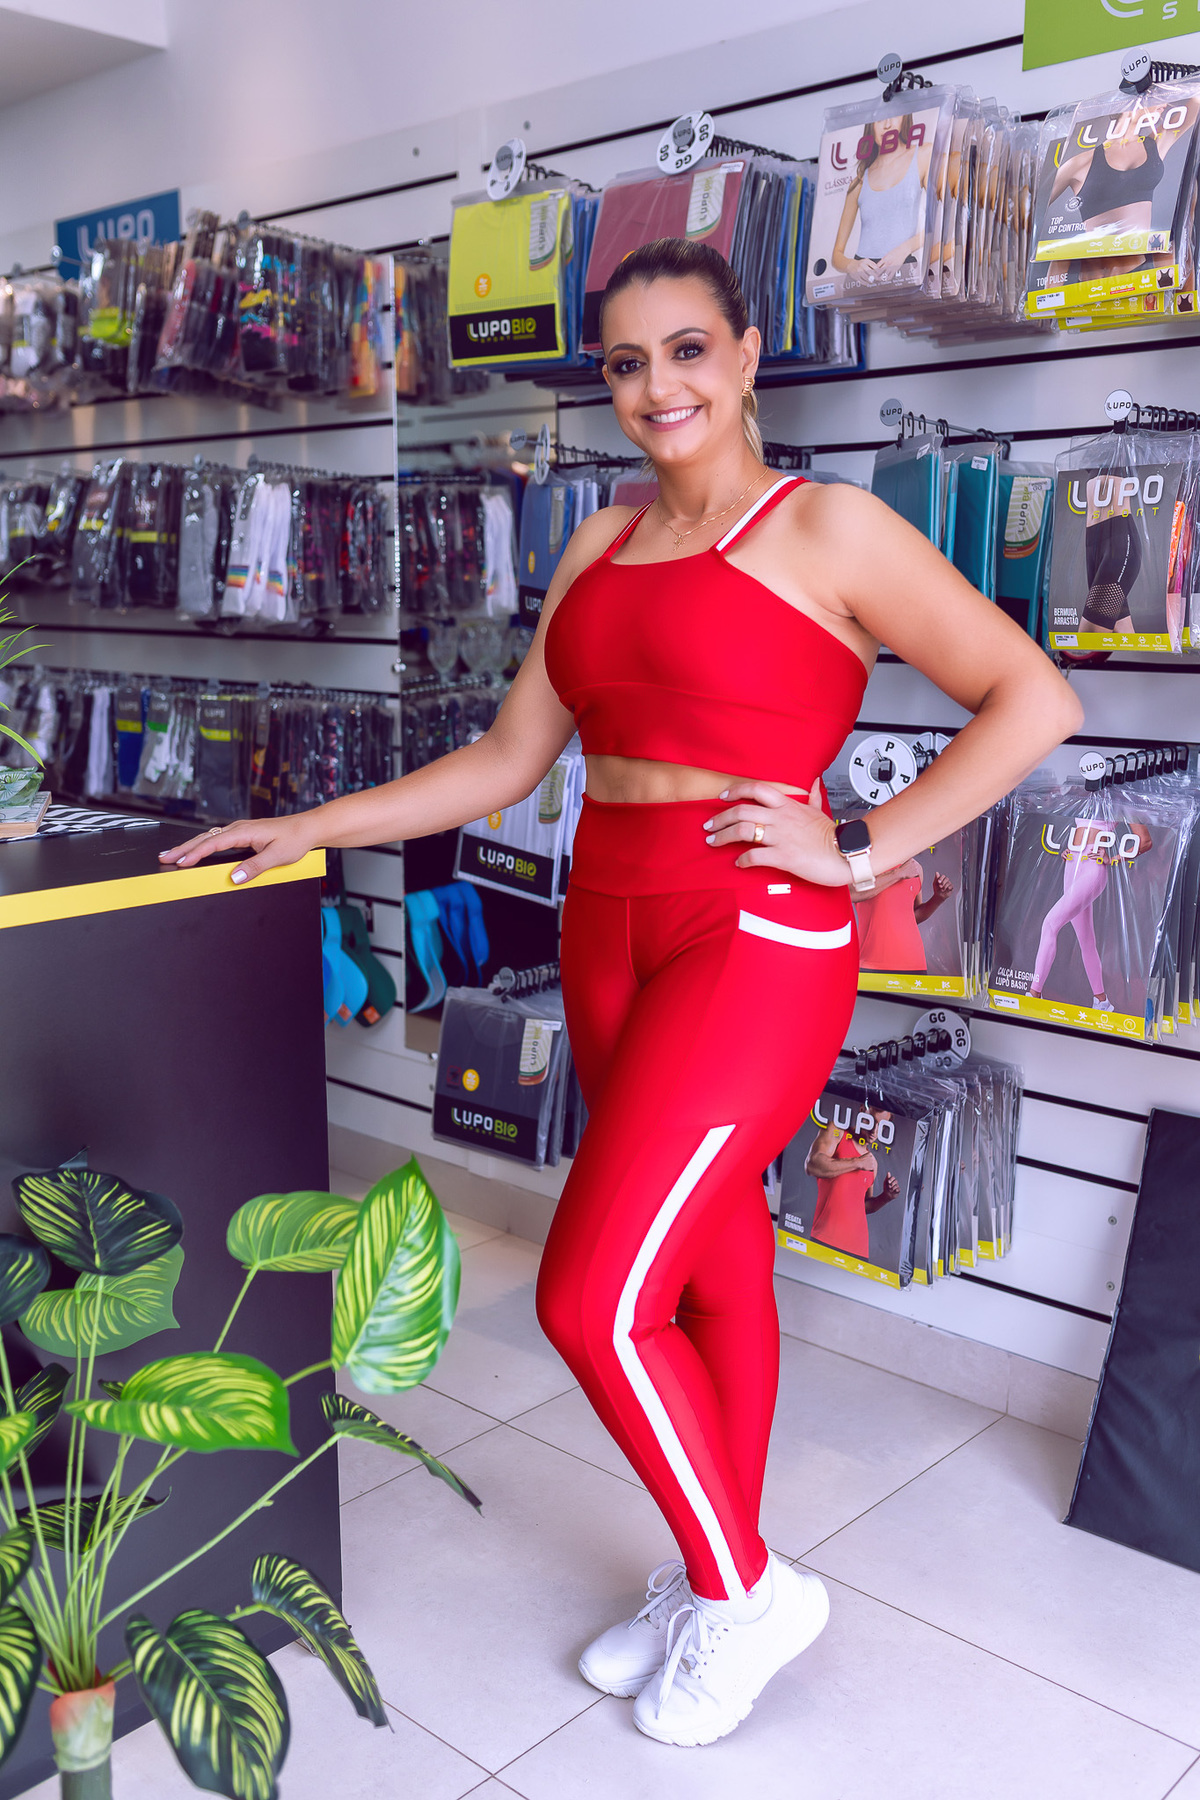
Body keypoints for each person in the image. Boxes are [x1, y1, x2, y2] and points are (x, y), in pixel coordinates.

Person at [162, 236, 1082, 1749]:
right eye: (627, 363)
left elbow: (1033, 696)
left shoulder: (828, 526)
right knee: (710, 1270)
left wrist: (859, 846)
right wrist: (309, 826)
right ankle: (719, 1572)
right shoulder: (598, 543)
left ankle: (745, 1593)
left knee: (591, 1297)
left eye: (689, 350)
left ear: (748, 356)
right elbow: (508, 760)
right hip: (608, 926)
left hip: (754, 934)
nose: (660, 387)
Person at [831, 114, 934, 285]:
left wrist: (905, 248)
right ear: (870, 126)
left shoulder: (923, 155)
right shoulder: (859, 181)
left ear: (904, 118)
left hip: (903, 269)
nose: (887, 125)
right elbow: (836, 255)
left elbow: (940, 225)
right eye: (879, 120)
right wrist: (852, 265)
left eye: (894, 116)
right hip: (862, 278)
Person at [805, 1108, 900, 1260]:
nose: (875, 1131)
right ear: (862, 1110)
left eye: (882, 1126)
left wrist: (886, 1197)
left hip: (859, 1250)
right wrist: (857, 1162)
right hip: (824, 1237)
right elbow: (812, 1164)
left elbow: (863, 1206)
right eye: (872, 1122)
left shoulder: (872, 1162)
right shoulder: (837, 1131)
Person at [854, 858, 954, 972]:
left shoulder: (915, 867)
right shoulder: (865, 862)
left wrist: (938, 898)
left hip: (914, 964)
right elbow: (852, 893)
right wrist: (898, 873)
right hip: (871, 963)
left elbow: (912, 916)